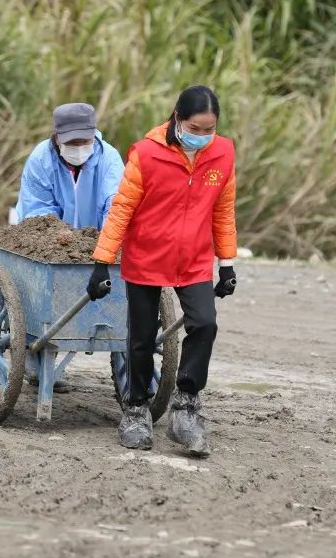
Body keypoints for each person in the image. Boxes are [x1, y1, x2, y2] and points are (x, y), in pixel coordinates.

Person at [87, 85, 237, 456]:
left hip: (194, 259)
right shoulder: (147, 155)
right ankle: (136, 408)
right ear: (176, 118)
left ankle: (186, 405)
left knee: (205, 323)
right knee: (141, 337)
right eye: (194, 128)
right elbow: (121, 209)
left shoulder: (222, 154)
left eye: (209, 129)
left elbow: (223, 210)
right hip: (147, 255)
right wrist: (102, 261)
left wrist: (227, 263)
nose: (202, 137)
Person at [14, 102, 125, 391]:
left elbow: (114, 204)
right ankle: (35, 351)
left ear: (94, 135)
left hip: (97, 240)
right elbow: (37, 211)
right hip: (52, 243)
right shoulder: (41, 159)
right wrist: (63, 240)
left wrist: (105, 244)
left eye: (84, 141)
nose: (78, 147)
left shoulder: (109, 159)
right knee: (42, 287)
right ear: (57, 137)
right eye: (71, 142)